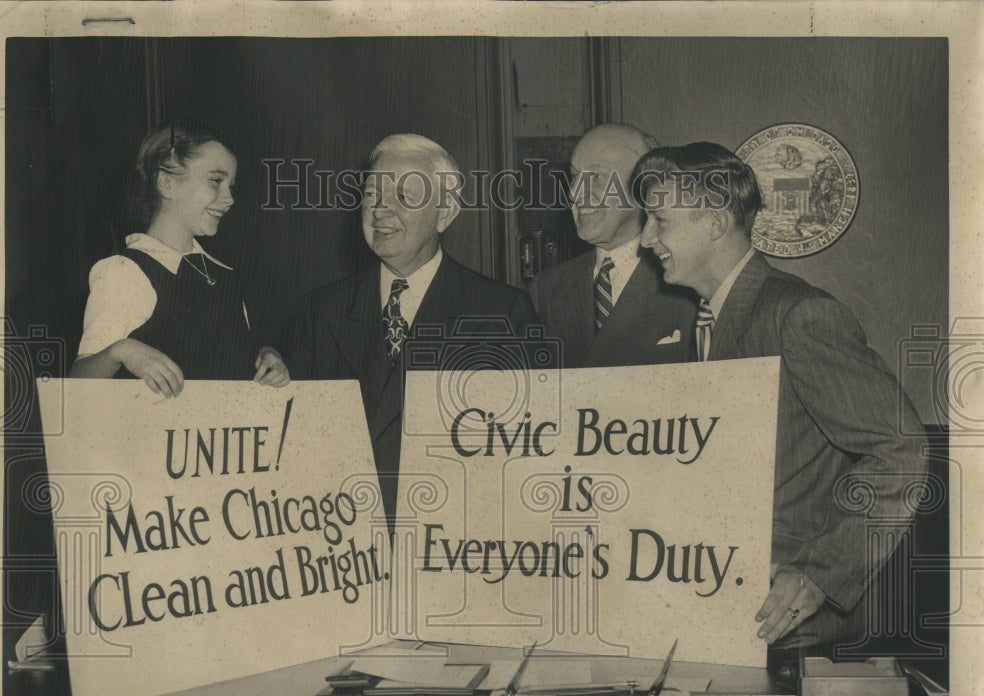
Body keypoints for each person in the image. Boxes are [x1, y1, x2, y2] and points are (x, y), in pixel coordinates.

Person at [634, 141, 927, 648]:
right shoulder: (702, 320)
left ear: (716, 222)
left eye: (659, 220)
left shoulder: (799, 316)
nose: (644, 238)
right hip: (717, 598)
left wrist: (819, 574)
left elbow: (902, 448)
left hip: (785, 621)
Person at [282, 134, 538, 526]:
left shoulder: (502, 313)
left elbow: (519, 464)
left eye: (405, 196)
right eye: (371, 195)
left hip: (446, 549)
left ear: (445, 212)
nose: (381, 210)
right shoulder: (320, 311)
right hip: (342, 550)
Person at [70, 122, 289, 395]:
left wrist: (265, 357)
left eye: (231, 186)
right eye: (215, 181)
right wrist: (120, 351)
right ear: (167, 182)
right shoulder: (125, 272)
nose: (230, 198)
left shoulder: (226, 276)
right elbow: (75, 388)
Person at [528, 123, 697, 368]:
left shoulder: (690, 286)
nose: (574, 193)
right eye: (574, 176)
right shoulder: (543, 290)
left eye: (595, 177)